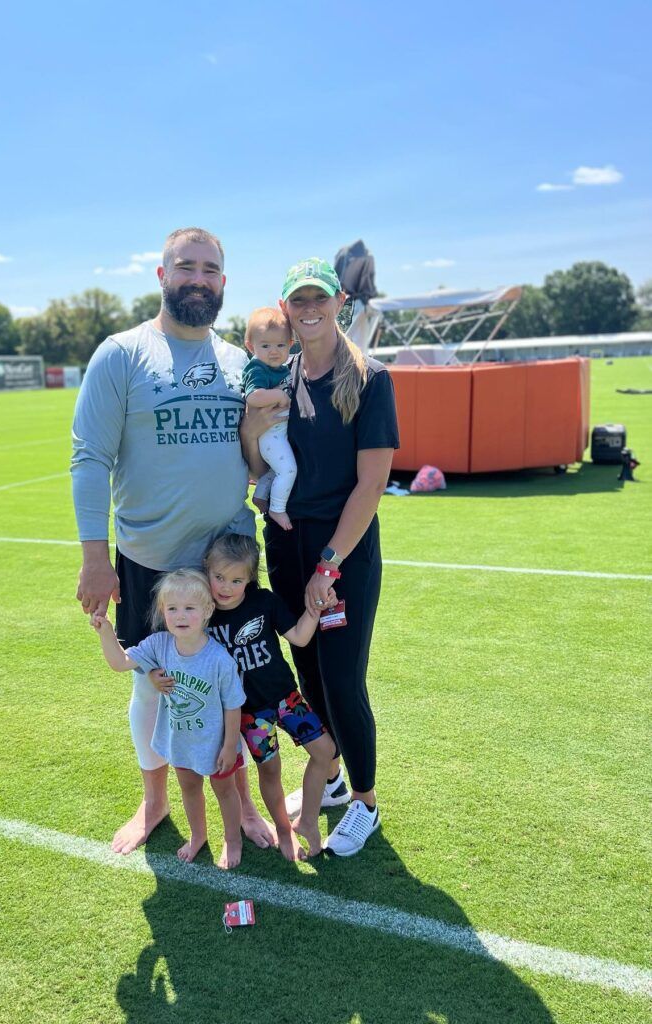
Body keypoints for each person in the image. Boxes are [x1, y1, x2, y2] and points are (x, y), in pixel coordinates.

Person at [71, 226, 277, 855]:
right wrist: (94, 558)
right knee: (151, 684)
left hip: (227, 565)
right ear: (162, 276)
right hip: (152, 564)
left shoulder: (241, 363)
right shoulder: (121, 353)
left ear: (223, 284)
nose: (198, 278)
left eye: (211, 270)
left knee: (232, 685)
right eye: (185, 267)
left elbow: (256, 458)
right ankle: (155, 799)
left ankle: (240, 803)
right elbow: (88, 458)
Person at [244, 256, 400, 857]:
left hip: (342, 552)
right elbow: (259, 467)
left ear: (340, 304)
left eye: (319, 299)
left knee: (341, 678)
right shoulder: (279, 378)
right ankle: (329, 781)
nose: (309, 310)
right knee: (306, 671)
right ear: (285, 309)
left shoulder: (370, 378)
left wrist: (329, 565)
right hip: (285, 543)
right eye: (297, 301)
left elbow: (370, 486)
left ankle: (363, 801)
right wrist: (251, 427)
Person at [92, 570, 246, 869]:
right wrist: (105, 631)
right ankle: (198, 835)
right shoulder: (159, 644)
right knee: (189, 789)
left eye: (190, 608)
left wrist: (230, 746)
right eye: (172, 608)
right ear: (163, 612)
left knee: (225, 792)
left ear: (207, 611)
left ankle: (232, 839)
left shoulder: (219, 660)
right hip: (181, 741)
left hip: (215, 745)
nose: (180, 615)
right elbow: (120, 663)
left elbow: (233, 706)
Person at [204, 534, 337, 859]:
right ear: (206, 569)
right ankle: (282, 829)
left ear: (249, 579)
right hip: (249, 714)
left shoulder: (264, 602)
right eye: (219, 577)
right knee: (271, 770)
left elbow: (301, 637)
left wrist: (317, 608)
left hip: (286, 699)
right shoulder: (205, 614)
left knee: (326, 751)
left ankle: (306, 820)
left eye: (236, 579)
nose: (225, 586)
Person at [241, 308, 296, 531]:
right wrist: (280, 395)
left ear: (290, 344)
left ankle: (261, 494)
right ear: (251, 346)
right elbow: (253, 396)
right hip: (270, 435)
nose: (274, 351)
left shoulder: (281, 368)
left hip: (278, 432)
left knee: (276, 470)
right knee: (288, 470)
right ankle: (277, 508)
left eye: (280, 345)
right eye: (265, 346)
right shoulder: (257, 368)